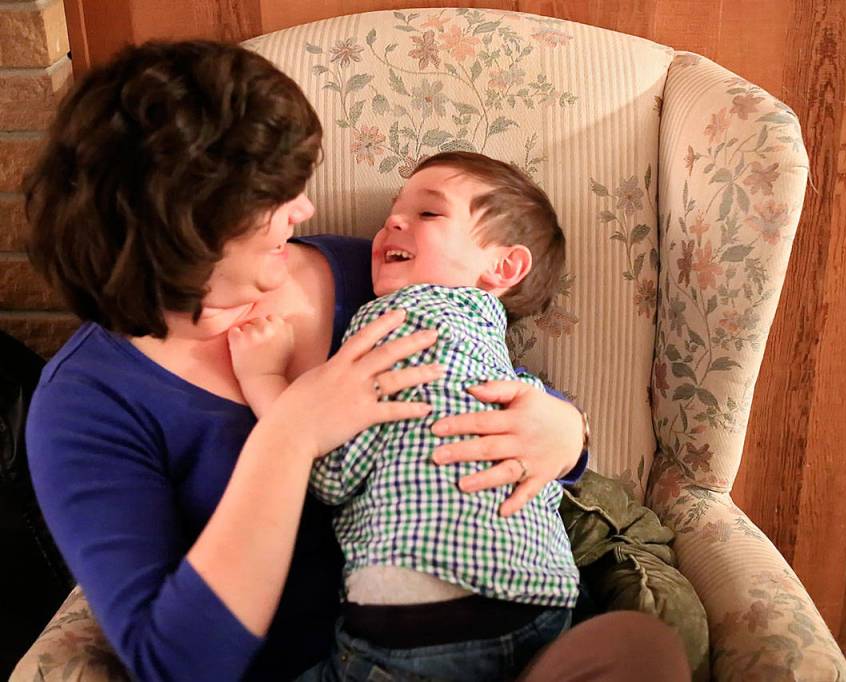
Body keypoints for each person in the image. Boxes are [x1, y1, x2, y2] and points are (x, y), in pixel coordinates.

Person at [22, 40, 691, 682]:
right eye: (274, 200)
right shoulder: (85, 404)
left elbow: (479, 386)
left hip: (497, 627)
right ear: (189, 232)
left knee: (636, 651)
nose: (305, 207)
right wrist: (288, 436)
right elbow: (178, 663)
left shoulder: (366, 273)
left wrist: (565, 435)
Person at [229, 151, 579, 681]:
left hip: (418, 623)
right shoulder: (497, 367)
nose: (392, 221)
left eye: (429, 214)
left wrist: (264, 380)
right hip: (544, 602)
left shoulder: (393, 328)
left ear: (504, 266)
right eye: (393, 211)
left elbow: (332, 470)